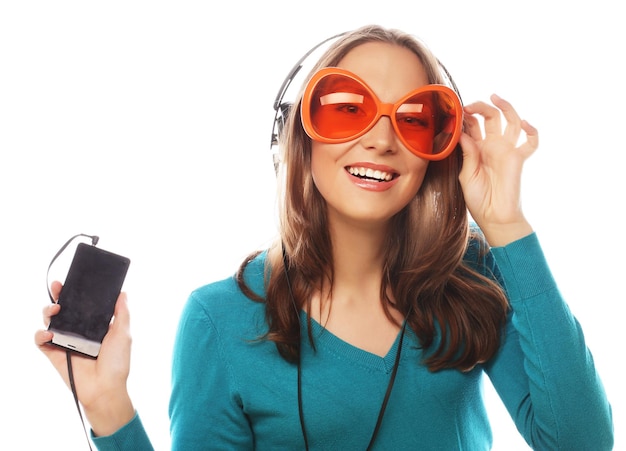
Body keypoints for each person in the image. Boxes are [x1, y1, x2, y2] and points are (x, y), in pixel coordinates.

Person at [35, 24, 614, 450]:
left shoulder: (470, 281)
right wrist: (107, 406)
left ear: (439, 151)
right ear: (298, 137)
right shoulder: (220, 320)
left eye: (414, 119)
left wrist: (507, 223)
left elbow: (582, 442)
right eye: (346, 109)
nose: (382, 140)